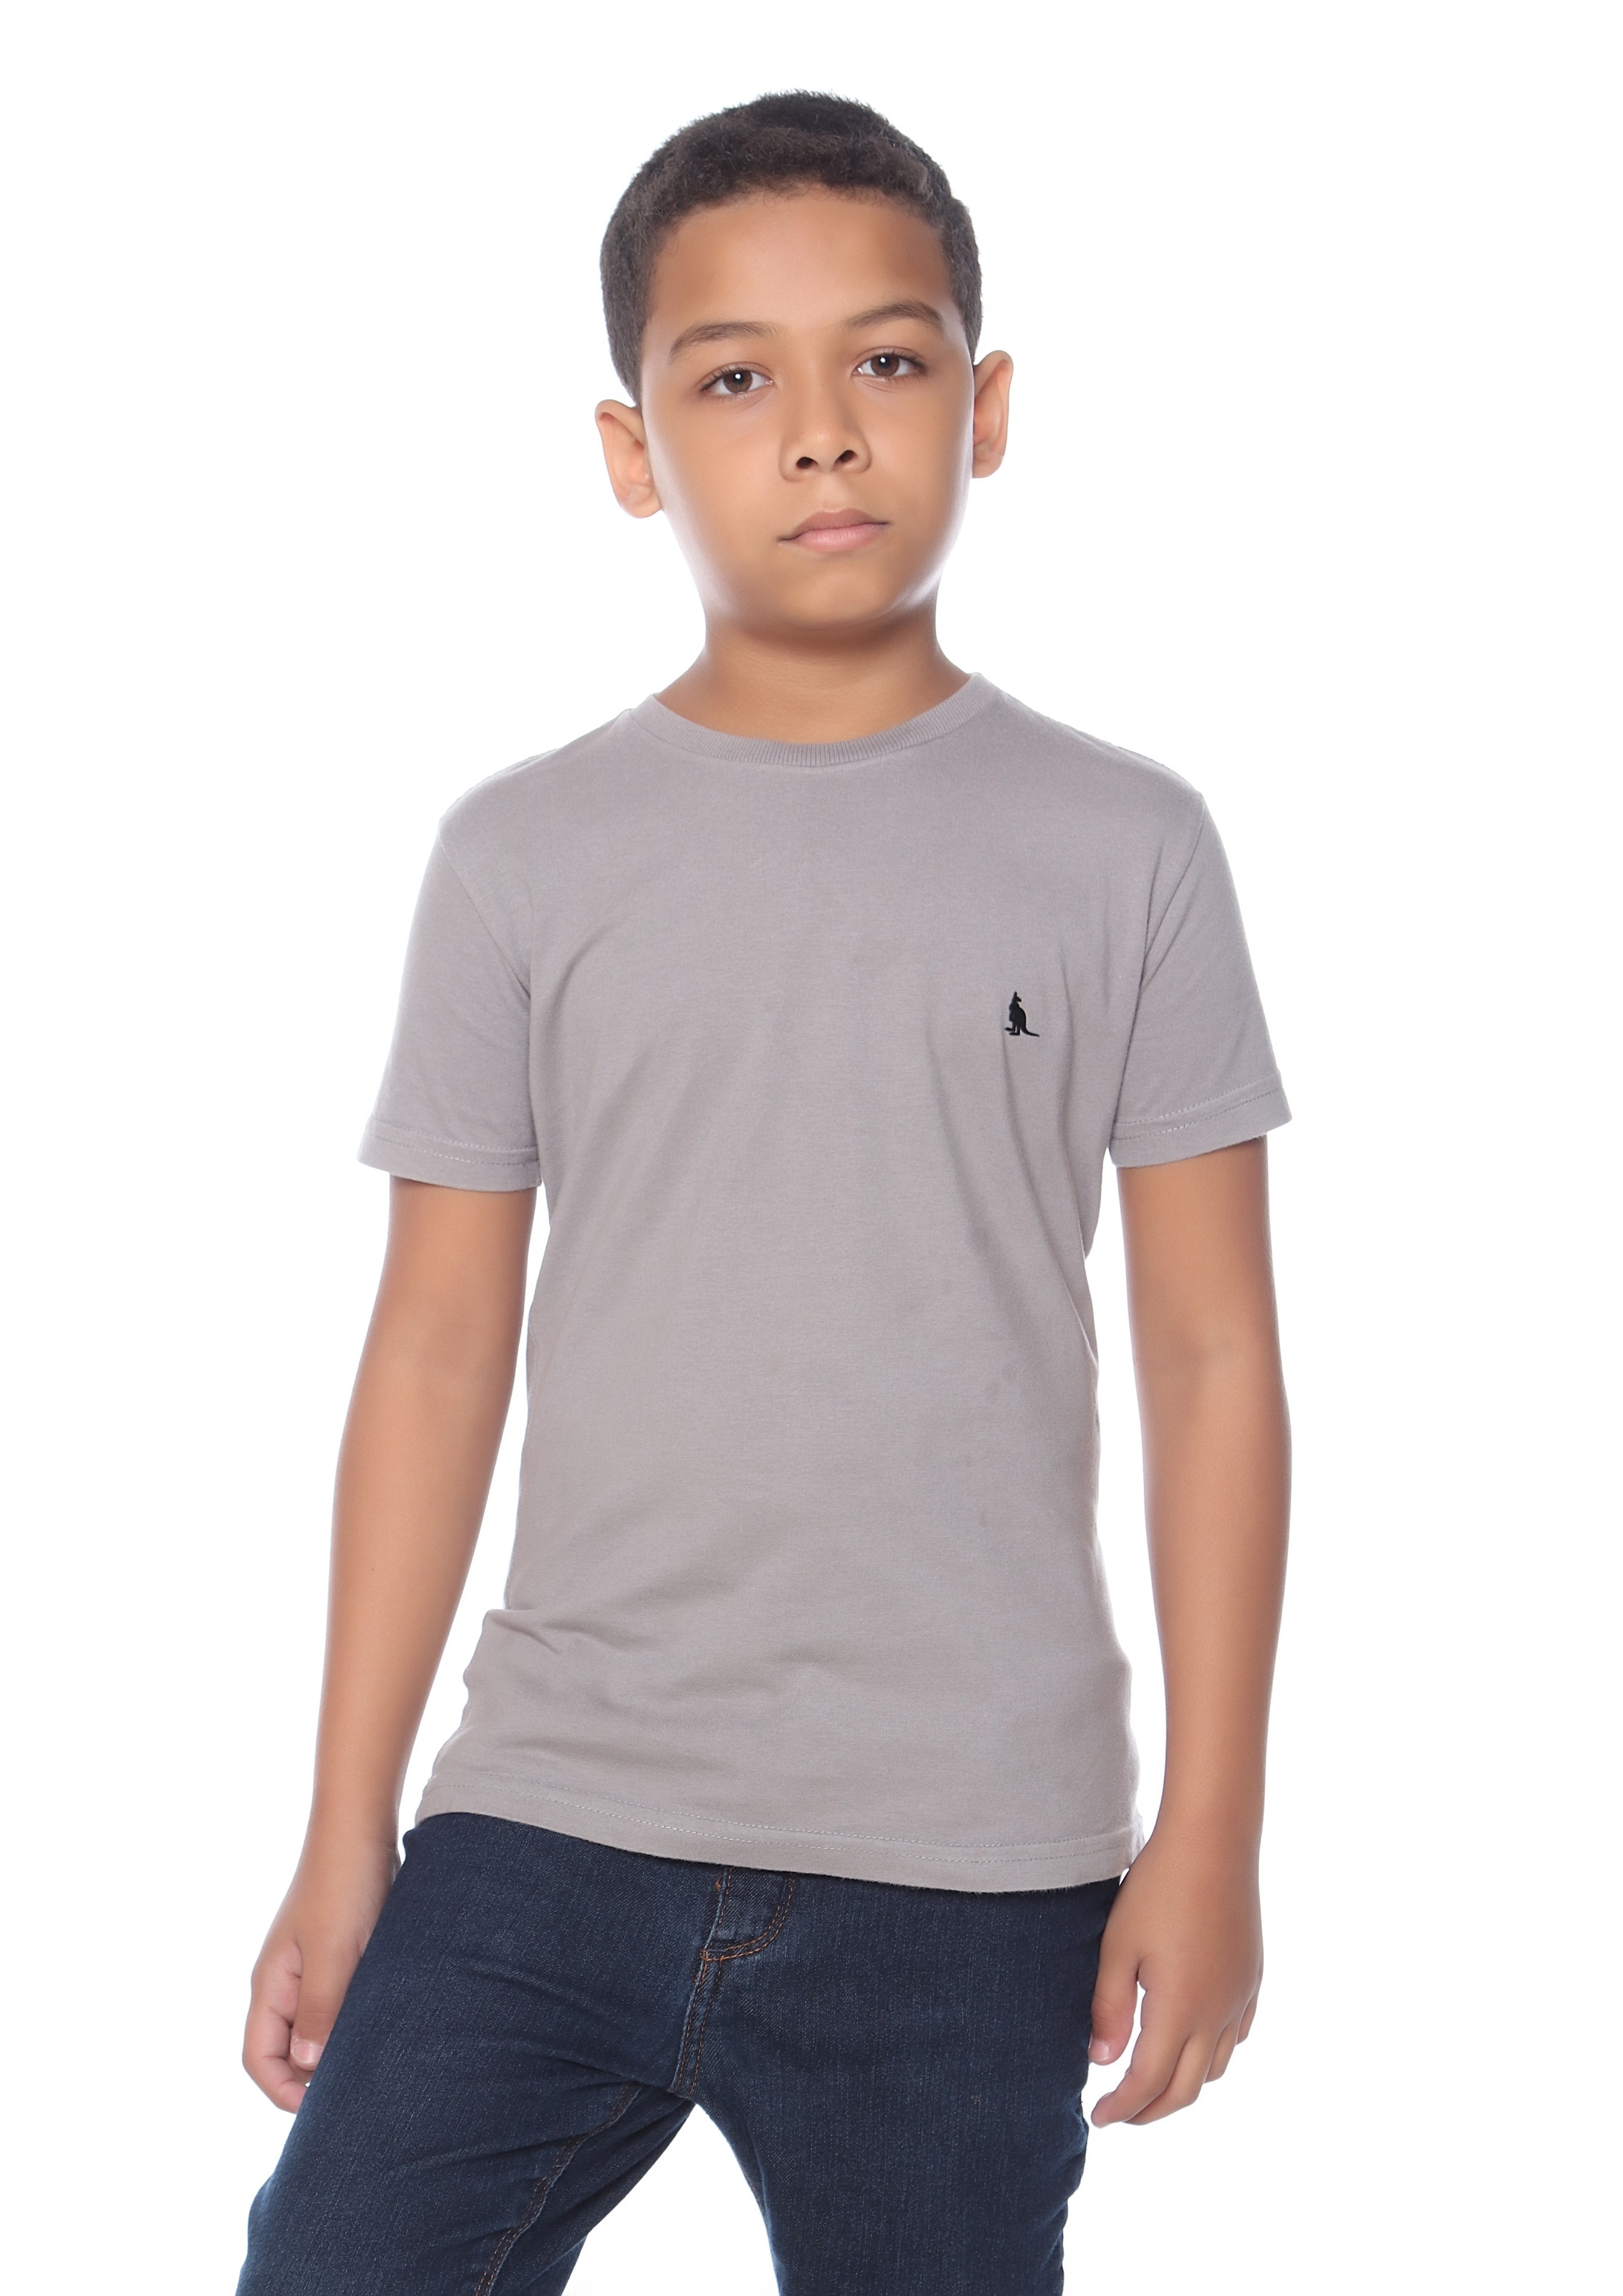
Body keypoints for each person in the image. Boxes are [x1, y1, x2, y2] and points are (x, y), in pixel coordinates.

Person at [236, 90, 1292, 2295]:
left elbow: (1210, 1356)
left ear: (982, 408)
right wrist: (346, 1828)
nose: (821, 430)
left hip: (969, 1860)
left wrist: (1210, 1828)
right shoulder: (522, 856)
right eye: (734, 380)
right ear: (634, 452)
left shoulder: (1127, 847)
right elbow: (434, 1350)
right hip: (551, 1815)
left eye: (886, 360)